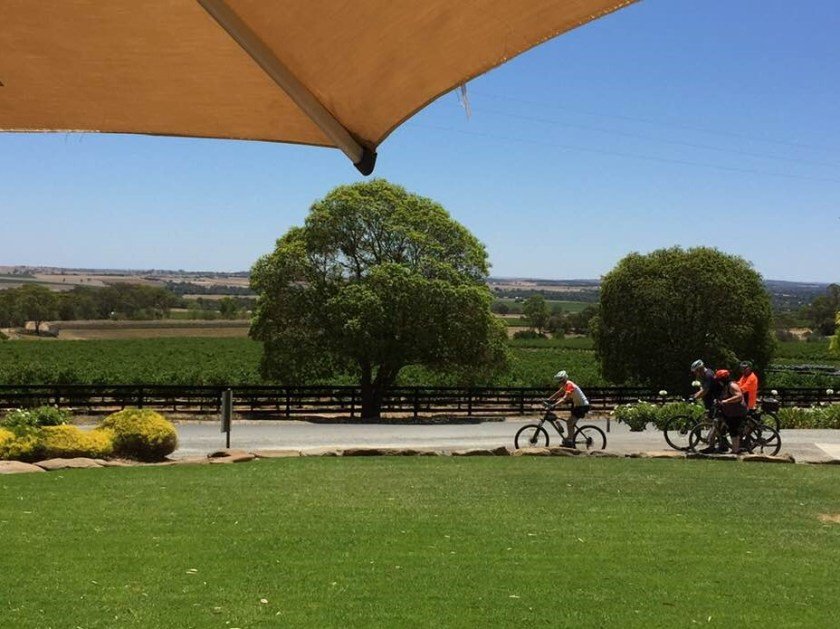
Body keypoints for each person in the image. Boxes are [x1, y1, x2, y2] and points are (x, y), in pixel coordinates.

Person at [699, 369, 748, 454]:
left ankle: (735, 450)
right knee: (719, 424)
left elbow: (739, 396)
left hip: (737, 411)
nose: (717, 381)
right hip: (729, 410)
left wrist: (726, 401)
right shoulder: (724, 386)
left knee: (733, 430)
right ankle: (716, 446)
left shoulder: (732, 385)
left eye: (719, 379)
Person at [546, 370, 590, 448]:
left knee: (570, 422)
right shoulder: (565, 385)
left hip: (583, 406)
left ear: (563, 380)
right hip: (578, 406)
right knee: (570, 422)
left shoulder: (569, 385)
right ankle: (570, 438)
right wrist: (548, 400)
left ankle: (570, 440)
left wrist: (554, 405)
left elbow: (564, 399)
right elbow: (558, 393)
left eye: (559, 382)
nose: (558, 384)